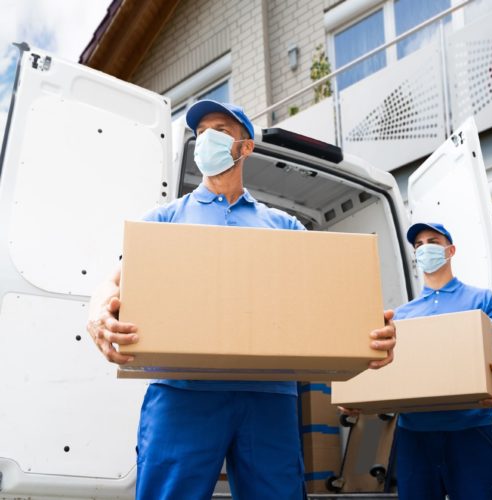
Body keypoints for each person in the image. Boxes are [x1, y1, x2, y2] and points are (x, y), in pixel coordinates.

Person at [86, 99, 396, 500]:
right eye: (202, 134)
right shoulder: (165, 220)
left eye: (220, 132)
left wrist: (371, 331)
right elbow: (114, 282)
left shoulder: (284, 226)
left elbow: (329, 298)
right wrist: (97, 314)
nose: (206, 140)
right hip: (183, 391)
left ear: (245, 147)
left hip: (268, 395)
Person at [394, 222, 492, 500]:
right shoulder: (402, 316)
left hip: (470, 428)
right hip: (415, 432)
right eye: (418, 245)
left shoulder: (483, 300)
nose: (425, 248)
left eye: (433, 241)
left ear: (450, 250)